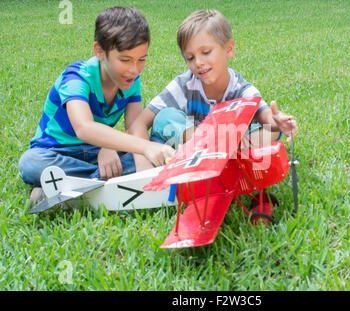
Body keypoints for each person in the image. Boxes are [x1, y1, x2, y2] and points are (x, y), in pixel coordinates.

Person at [18, 6, 174, 205]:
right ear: (100, 51)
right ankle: (104, 180)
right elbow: (84, 128)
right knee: (30, 164)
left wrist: (144, 170)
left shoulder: (131, 80)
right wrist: (142, 148)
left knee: (157, 145)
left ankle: (65, 188)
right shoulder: (75, 77)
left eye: (141, 59)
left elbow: (135, 128)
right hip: (57, 153)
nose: (134, 70)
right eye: (125, 60)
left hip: (97, 152)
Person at [131, 9, 298, 153]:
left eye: (206, 52)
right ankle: (211, 151)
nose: (198, 63)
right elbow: (141, 123)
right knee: (165, 117)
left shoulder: (241, 90)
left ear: (229, 49)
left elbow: (264, 115)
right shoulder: (184, 86)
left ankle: (220, 154)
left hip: (229, 145)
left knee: (270, 131)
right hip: (189, 148)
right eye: (190, 58)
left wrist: (277, 121)